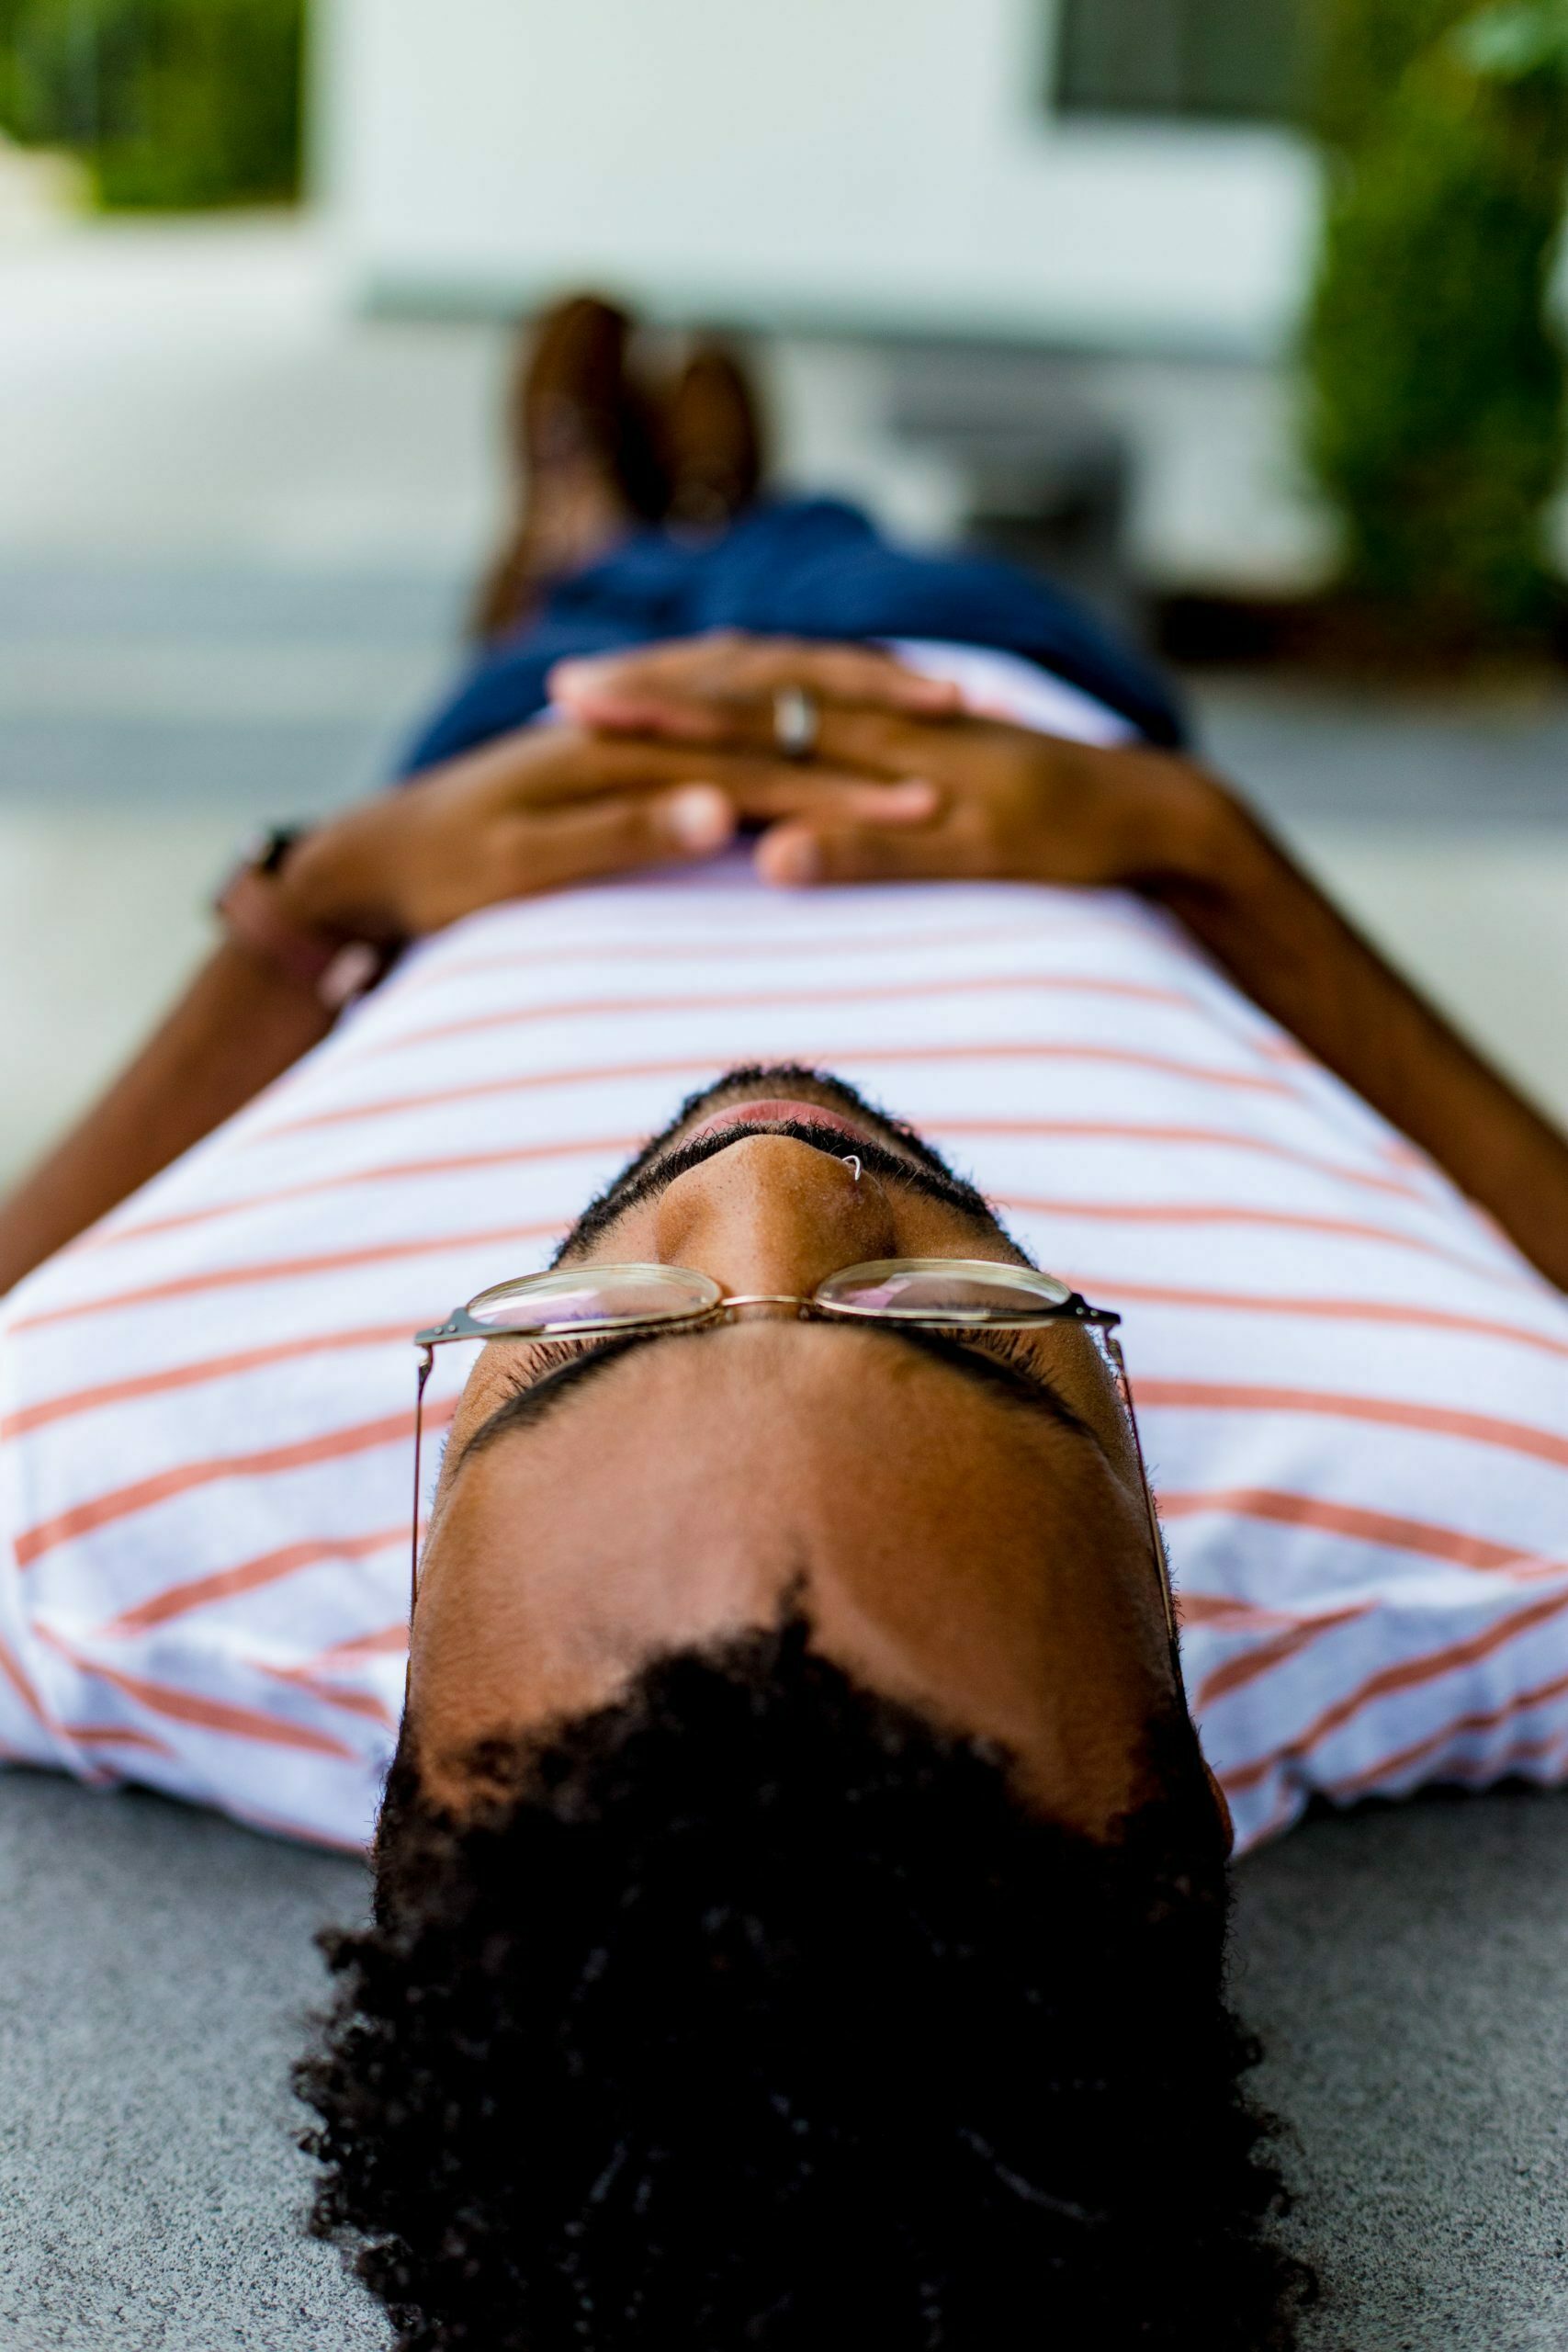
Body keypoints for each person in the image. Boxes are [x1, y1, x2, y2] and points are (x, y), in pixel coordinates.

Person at [2, 296, 1566, 2350]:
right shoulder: (1472, 1539)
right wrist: (1212, 859)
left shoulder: (126, 1559)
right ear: (1187, 1778)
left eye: (586, 1326)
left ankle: (587, 528)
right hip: (1003, 724)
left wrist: (315, 910)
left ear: (386, 1779)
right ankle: (734, 497)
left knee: (591, 611)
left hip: (529, 785)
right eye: (958, 1318)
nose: (763, 1144)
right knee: (875, 549)